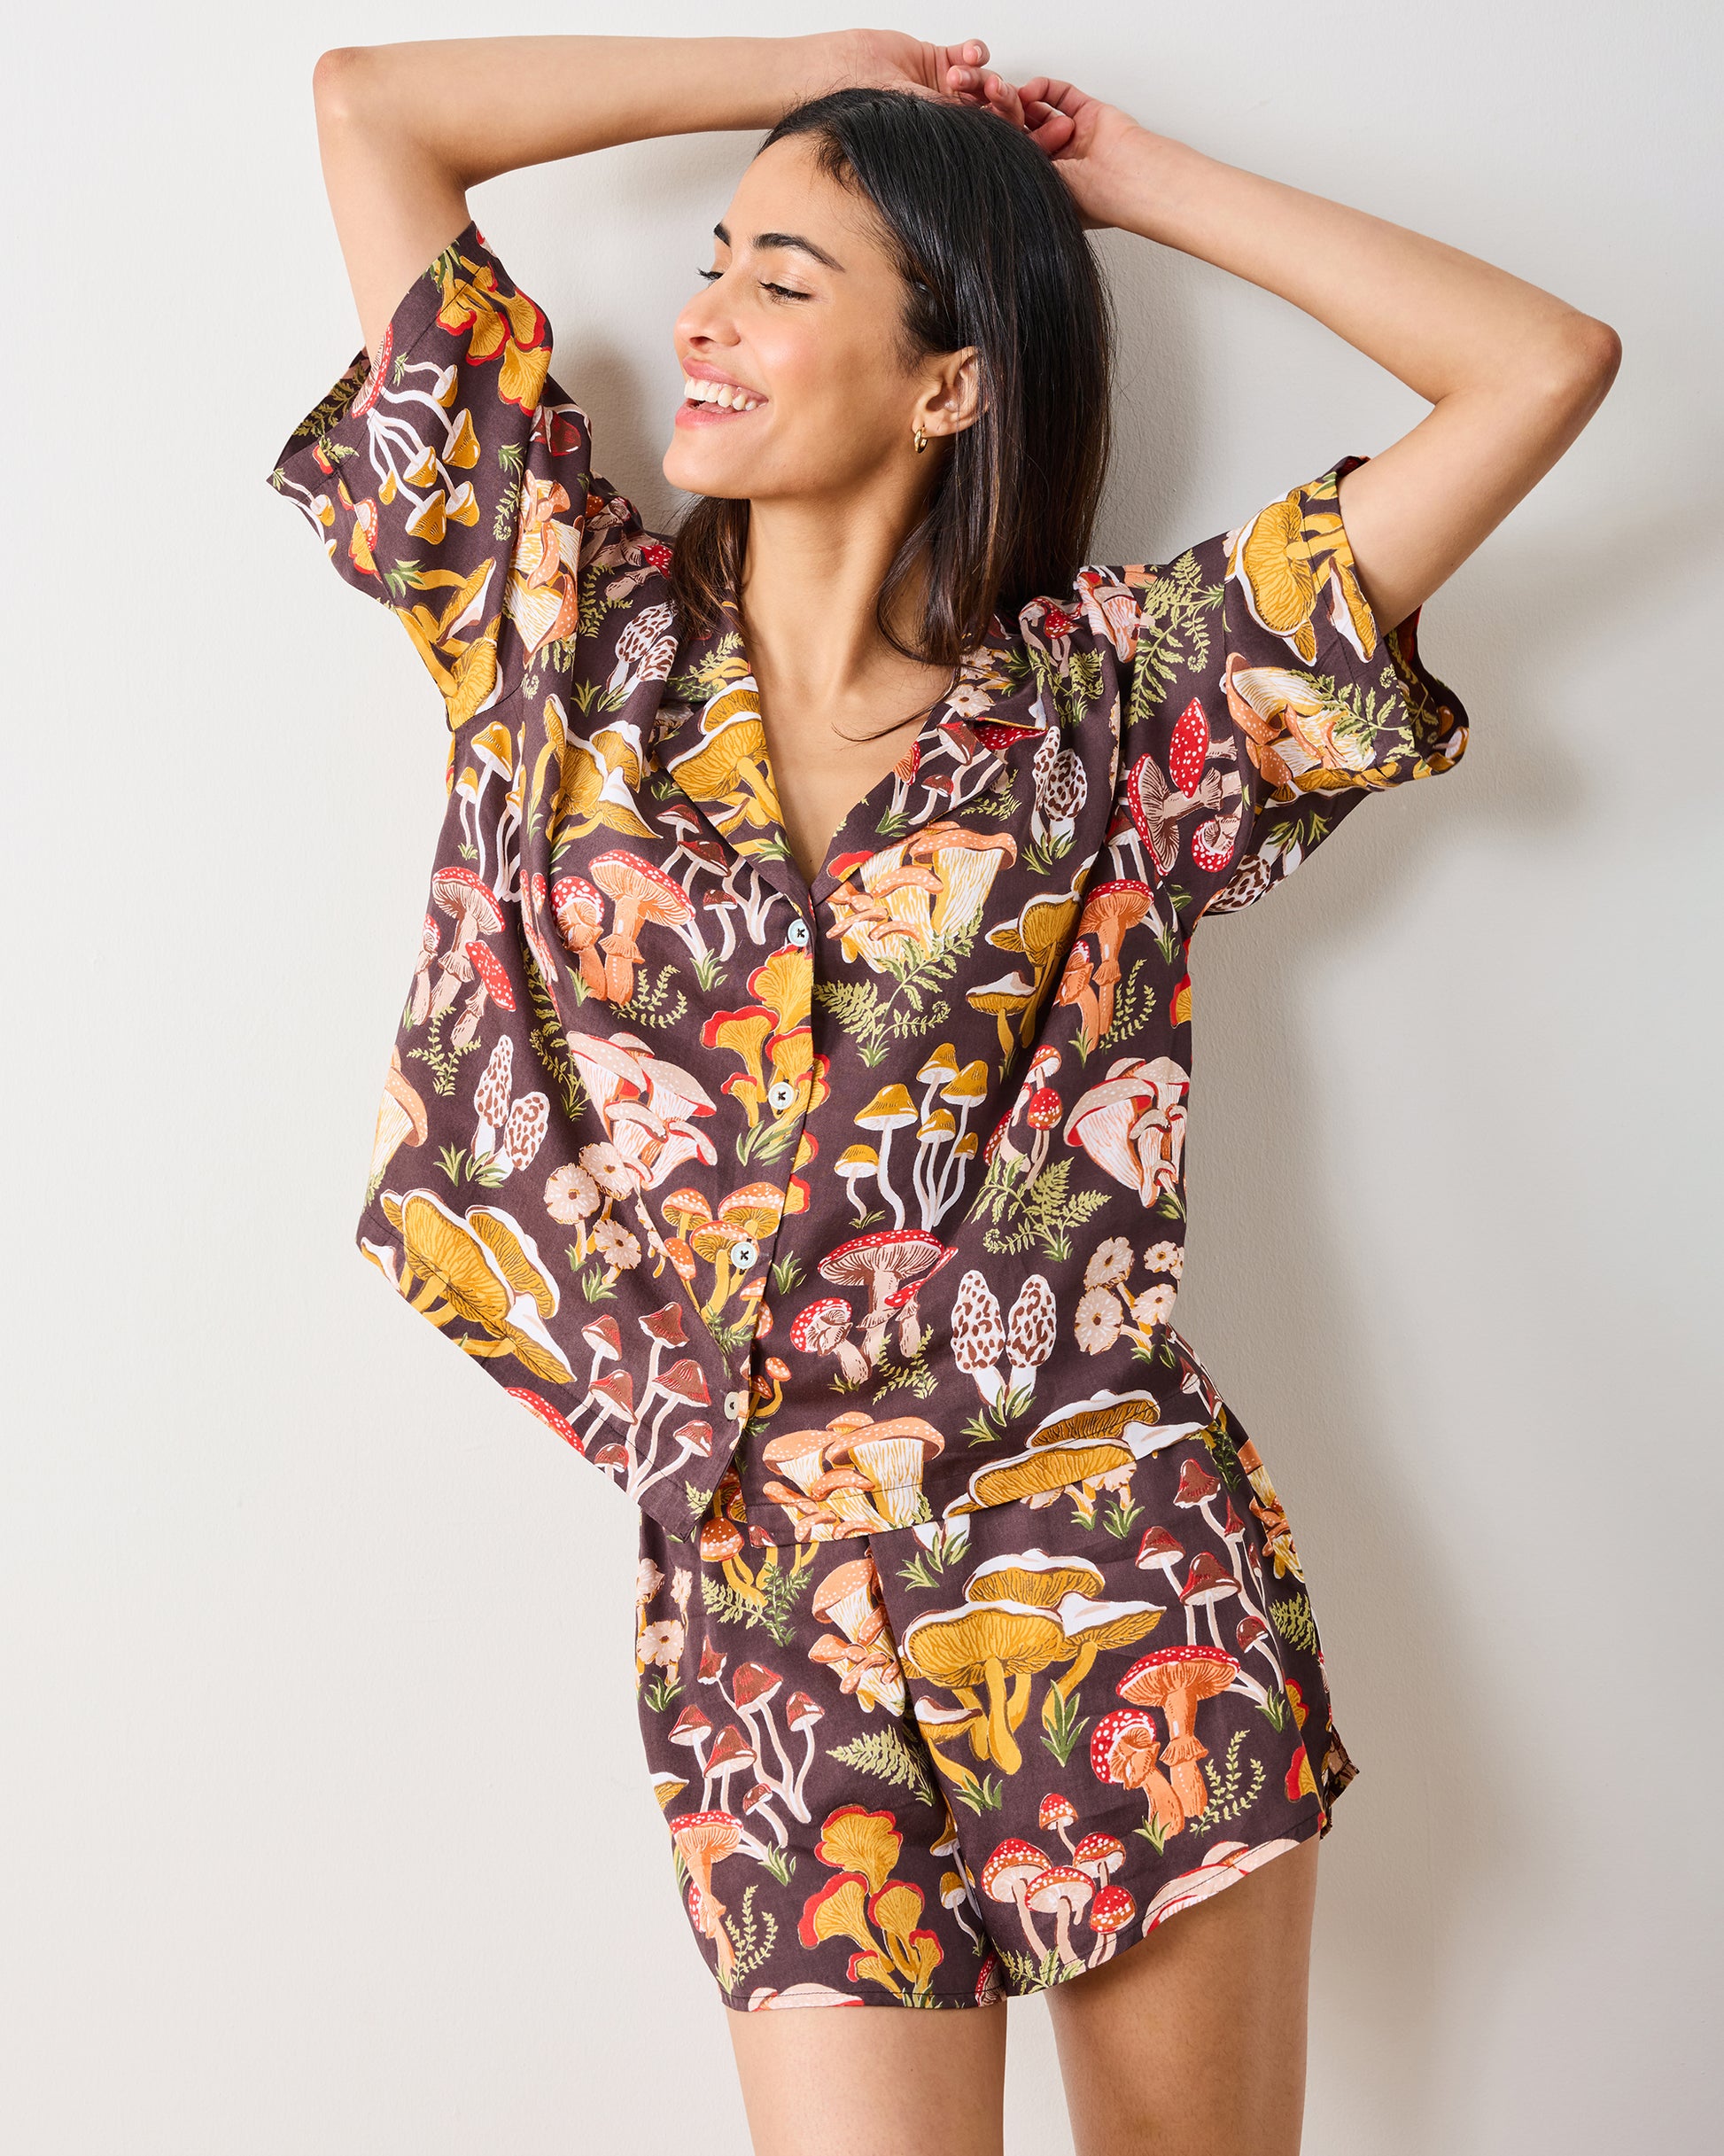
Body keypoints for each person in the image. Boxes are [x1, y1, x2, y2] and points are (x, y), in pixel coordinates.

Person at [269, 28, 1617, 2155]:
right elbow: (373, 109)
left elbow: (1538, 366)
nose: (704, 315)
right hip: (762, 1614)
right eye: (714, 261)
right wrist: (803, 68)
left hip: (1113, 1570)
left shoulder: (1124, 709)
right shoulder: (562, 634)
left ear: (949, 381)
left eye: (783, 278)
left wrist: (1127, 182)